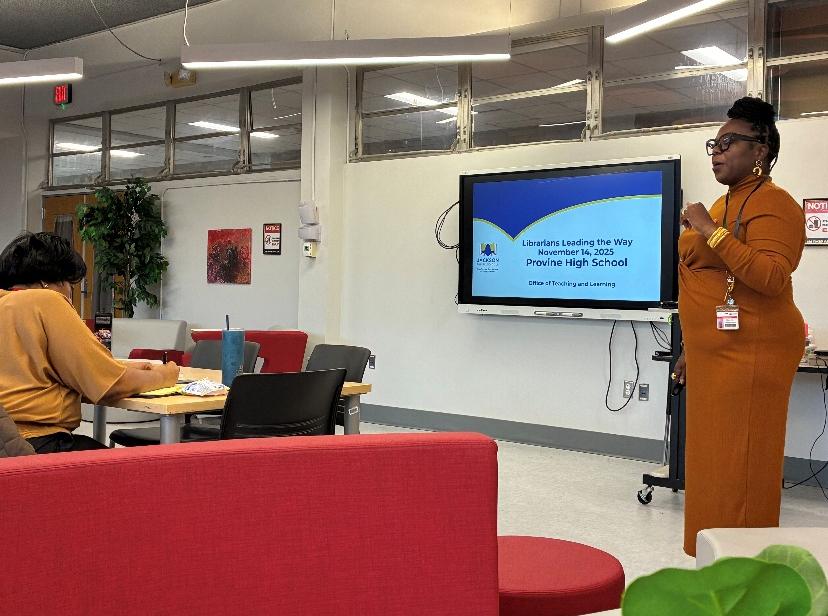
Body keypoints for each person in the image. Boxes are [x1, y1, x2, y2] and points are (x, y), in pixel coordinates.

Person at [674, 97, 805, 556]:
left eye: (730, 142)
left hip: (752, 354)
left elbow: (770, 277)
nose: (717, 151)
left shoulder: (777, 204)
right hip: (716, 356)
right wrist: (693, 347)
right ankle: (713, 553)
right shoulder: (724, 201)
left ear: (761, 148)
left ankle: (744, 561)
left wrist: (709, 229)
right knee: (712, 462)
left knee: (741, 464)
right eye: (714, 143)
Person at [0, 232, 180, 454]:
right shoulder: (45, 300)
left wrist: (129, 367)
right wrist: (167, 374)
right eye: (70, 284)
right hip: (35, 445)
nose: (70, 294)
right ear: (51, 282)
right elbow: (111, 384)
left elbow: (55, 371)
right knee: (139, 473)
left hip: (8, 445)